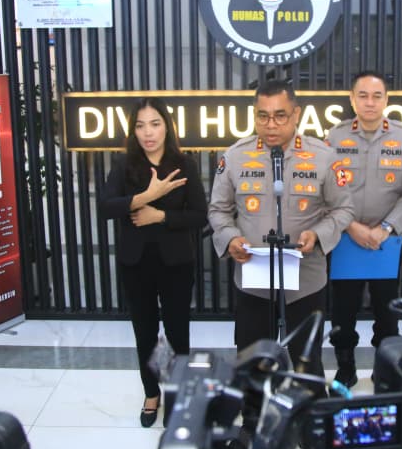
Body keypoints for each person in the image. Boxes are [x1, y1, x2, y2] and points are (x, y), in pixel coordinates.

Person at [208, 79, 353, 387]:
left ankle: (308, 416)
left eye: (280, 116)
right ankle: (252, 416)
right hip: (254, 282)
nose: (271, 124)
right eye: (263, 116)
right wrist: (230, 237)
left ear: (296, 114)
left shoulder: (324, 157)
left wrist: (318, 235)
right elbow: (218, 210)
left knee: (307, 366)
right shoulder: (234, 156)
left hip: (305, 282)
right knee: (251, 367)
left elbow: (344, 209)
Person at [101, 98, 207, 427]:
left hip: (176, 263)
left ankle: (177, 393)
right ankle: (151, 393)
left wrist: (159, 216)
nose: (148, 133)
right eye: (140, 125)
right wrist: (148, 196)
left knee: (177, 334)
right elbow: (105, 207)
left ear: (167, 127)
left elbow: (199, 215)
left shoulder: (185, 164)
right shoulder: (123, 164)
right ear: (133, 130)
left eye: (155, 124)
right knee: (145, 333)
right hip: (135, 264)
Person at [325, 71, 402, 388]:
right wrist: (352, 226)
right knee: (343, 312)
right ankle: (345, 368)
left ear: (386, 99)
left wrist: (386, 228)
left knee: (387, 313)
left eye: (376, 96)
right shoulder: (335, 138)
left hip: (387, 241)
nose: (369, 102)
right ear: (352, 99)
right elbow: (324, 189)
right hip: (346, 238)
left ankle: (385, 370)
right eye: (363, 95)